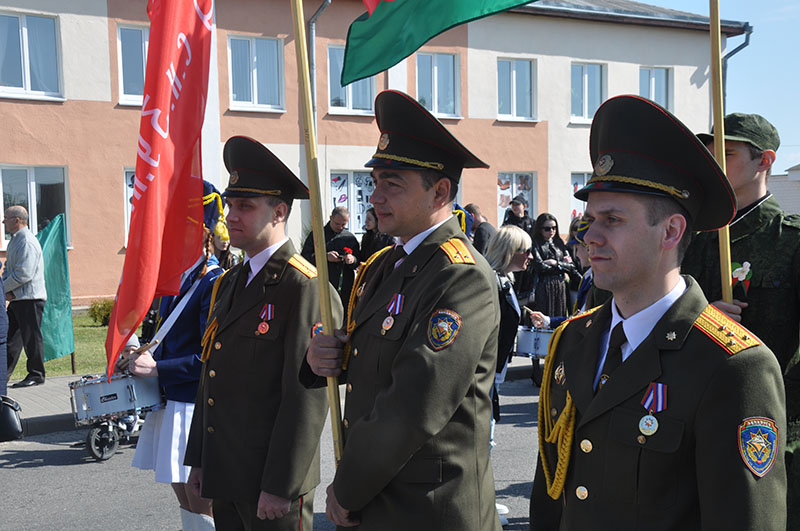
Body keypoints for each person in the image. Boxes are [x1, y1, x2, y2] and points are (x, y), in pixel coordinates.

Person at [530, 95, 786, 530]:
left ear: (670, 231)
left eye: (612, 220)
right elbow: (552, 498)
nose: (590, 237)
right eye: (590, 220)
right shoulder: (573, 339)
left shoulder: (731, 365)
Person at [304, 90, 502, 530]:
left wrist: (347, 487)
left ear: (440, 191)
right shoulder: (386, 265)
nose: (374, 197)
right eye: (375, 183)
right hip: (379, 500)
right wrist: (325, 357)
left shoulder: (459, 276)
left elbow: (414, 402)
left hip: (429, 509)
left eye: (392, 184)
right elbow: (370, 360)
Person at [184, 136, 341, 530]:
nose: (231, 216)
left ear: (279, 212)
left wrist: (281, 484)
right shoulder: (230, 281)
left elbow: (306, 398)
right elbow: (211, 377)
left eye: (246, 206)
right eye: (230, 205)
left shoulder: (304, 287)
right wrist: (200, 459)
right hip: (226, 472)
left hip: (270, 483)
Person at [682, 112, 800, 526]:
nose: (714, 162)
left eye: (727, 153)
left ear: (764, 161)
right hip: (691, 425)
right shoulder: (688, 239)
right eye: (710, 152)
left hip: (770, 430)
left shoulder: (790, 241)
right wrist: (699, 318)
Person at [128, 181, 225, 531]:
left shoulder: (213, 281)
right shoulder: (176, 278)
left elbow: (211, 358)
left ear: (202, 232)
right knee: (183, 497)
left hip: (192, 404)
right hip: (171, 401)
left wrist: (158, 369)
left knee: (201, 500)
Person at [484, 225, 534, 525]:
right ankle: (481, 505)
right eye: (525, 250)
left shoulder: (503, 280)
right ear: (509, 251)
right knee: (483, 439)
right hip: (486, 372)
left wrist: (528, 314)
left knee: (486, 437)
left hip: (495, 372)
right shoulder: (490, 280)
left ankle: (483, 499)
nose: (530, 256)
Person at [3, 205, 47, 388]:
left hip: (30, 299)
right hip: (18, 298)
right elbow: (9, 268)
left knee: (31, 339)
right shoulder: (15, 240)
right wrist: (4, 287)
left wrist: (3, 288)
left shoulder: (27, 241)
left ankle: (36, 375)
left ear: (17, 220)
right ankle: (2, 375)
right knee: (9, 339)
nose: (3, 221)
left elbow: (24, 274)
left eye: (6, 218)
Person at [301, 206, 360, 318]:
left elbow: (358, 262)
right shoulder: (317, 235)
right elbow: (304, 258)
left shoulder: (349, 238)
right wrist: (324, 257)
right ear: (331, 218)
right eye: (337, 224)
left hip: (344, 288)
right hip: (322, 285)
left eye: (344, 224)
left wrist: (352, 260)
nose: (340, 227)